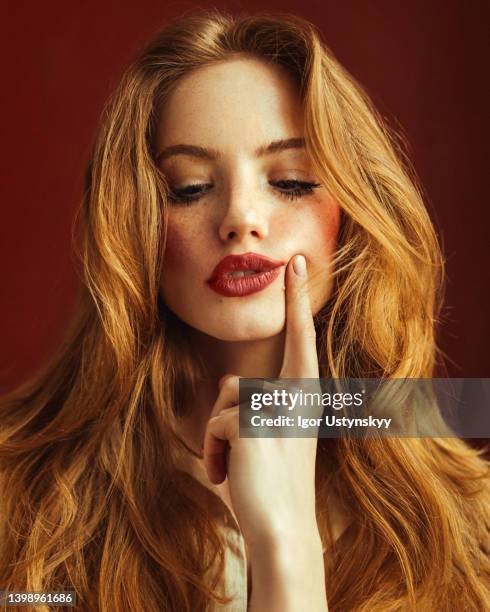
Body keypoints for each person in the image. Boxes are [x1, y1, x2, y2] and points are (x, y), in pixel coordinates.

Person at [1, 9, 489, 611]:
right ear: (133, 225)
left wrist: (286, 546)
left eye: (289, 181)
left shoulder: (467, 520)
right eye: (188, 188)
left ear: (355, 215)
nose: (240, 218)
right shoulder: (20, 506)